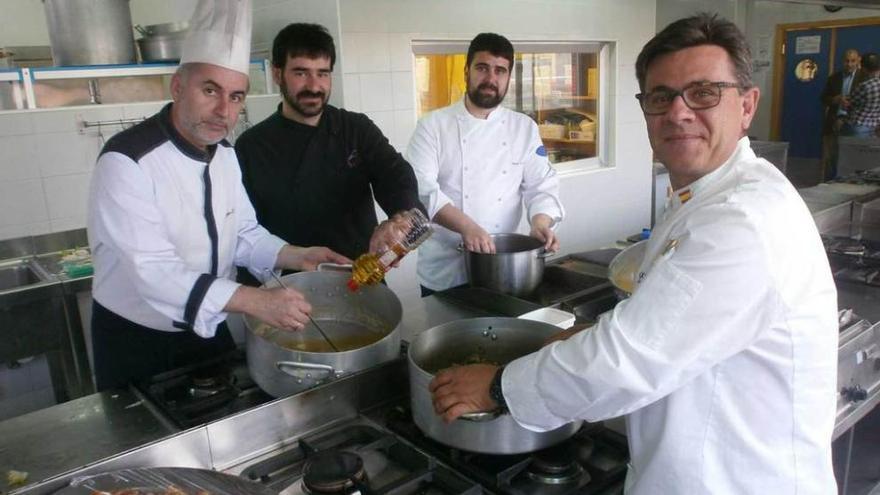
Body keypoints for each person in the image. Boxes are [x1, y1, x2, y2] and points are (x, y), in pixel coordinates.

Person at [430, 14, 838, 494]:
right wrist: (580, 337)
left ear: (747, 106)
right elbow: (662, 326)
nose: (679, 112)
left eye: (704, 93)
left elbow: (625, 362)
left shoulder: (743, 220)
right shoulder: (698, 199)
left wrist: (498, 386)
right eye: (661, 97)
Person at [87, 0, 349, 391]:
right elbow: (154, 271)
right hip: (138, 338)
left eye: (236, 96)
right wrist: (253, 300)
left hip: (209, 327)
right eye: (210, 90)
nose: (223, 110)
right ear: (178, 86)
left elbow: (242, 232)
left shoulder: (225, 155)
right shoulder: (128, 160)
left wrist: (296, 254)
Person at [234, 23, 424, 280]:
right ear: (278, 74)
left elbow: (395, 175)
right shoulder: (251, 146)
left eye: (323, 73)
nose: (314, 85)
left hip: (357, 275)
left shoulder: (356, 129)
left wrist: (399, 220)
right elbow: (244, 232)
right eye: (301, 73)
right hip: (287, 286)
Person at [405, 33, 564, 296]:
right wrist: (467, 227)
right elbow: (421, 189)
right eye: (482, 68)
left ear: (508, 77)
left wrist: (540, 223)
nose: (491, 79)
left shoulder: (523, 128)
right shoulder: (432, 126)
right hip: (447, 271)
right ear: (467, 71)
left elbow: (541, 185)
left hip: (503, 268)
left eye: (500, 71)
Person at [821, 49, 865, 179]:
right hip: (833, 122)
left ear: (859, 60)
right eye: (847, 61)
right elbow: (824, 98)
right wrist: (835, 99)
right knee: (832, 157)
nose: (849, 64)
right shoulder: (834, 78)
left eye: (853, 61)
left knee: (852, 158)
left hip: (853, 124)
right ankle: (828, 183)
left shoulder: (864, 78)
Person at [841, 52, 880, 139]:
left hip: (857, 127)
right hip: (874, 128)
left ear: (864, 69)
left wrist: (843, 100)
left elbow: (847, 105)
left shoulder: (864, 86)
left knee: (849, 152)